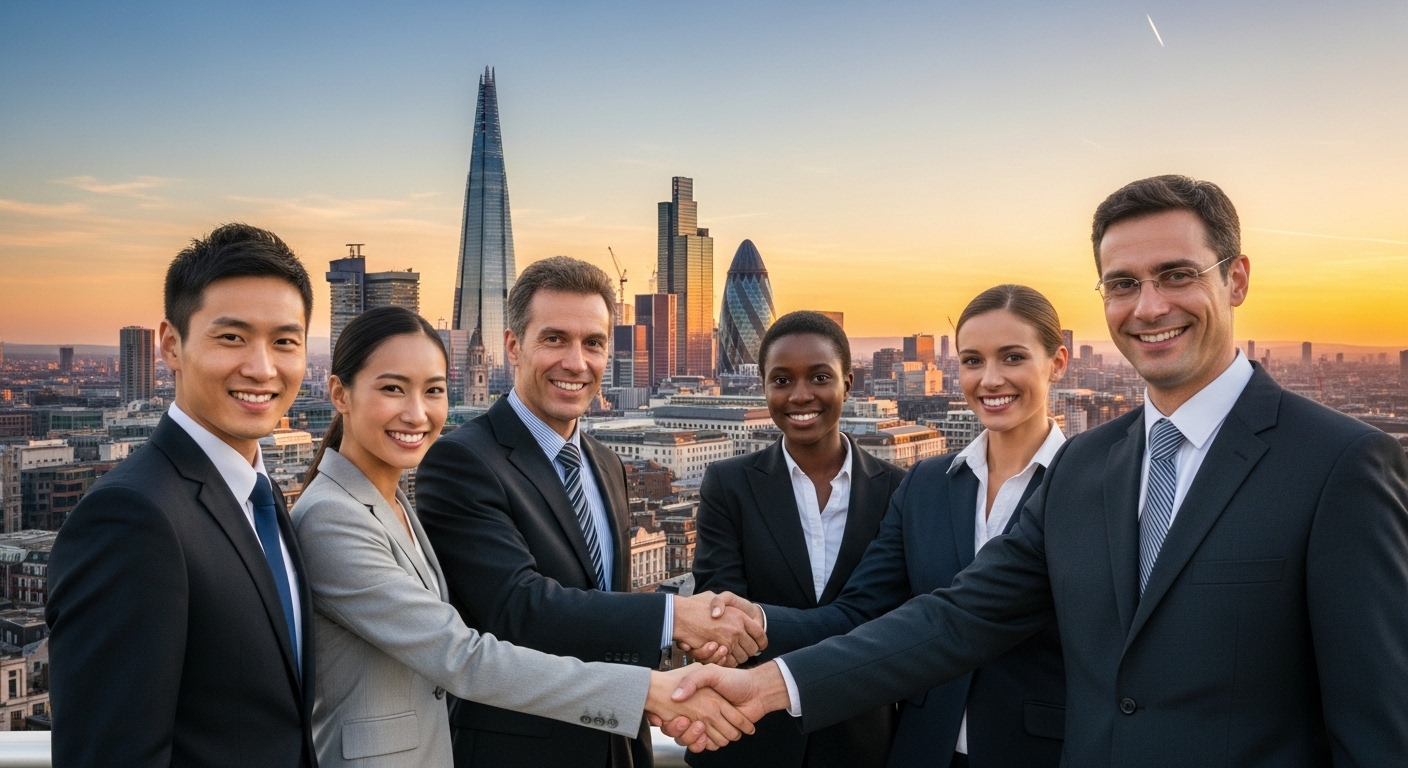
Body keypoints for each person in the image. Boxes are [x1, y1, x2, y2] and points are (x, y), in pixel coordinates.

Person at [671, 175, 1408, 766]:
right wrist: (768, 685)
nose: (1148, 307)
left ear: (1237, 279)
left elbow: (1378, 726)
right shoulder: (1088, 467)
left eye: (1176, 274)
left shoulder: (1341, 465)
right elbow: (956, 617)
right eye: (1121, 284)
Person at [292, 306, 750, 767]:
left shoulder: (392, 503)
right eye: (392, 389)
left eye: (433, 391)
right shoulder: (332, 517)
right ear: (338, 393)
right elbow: (463, 656)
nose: (416, 413)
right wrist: (649, 690)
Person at [414, 255, 768, 767]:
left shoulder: (605, 463)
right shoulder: (462, 460)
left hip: (618, 747)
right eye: (554, 339)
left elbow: (603, 608)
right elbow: (516, 608)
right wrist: (675, 617)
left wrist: (685, 664)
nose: (576, 362)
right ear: (514, 346)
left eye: (593, 343)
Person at [736, 287, 1069, 768]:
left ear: (1057, 362)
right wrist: (751, 620)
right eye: (972, 361)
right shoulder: (925, 485)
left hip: (1042, 753)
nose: (990, 379)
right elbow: (858, 613)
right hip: (922, 749)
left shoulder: (1089, 485)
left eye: (1013, 357)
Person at [46, 224, 320, 766]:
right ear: (172, 345)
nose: (262, 368)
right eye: (232, 337)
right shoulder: (131, 517)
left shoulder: (262, 499)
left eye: (284, 341)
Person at [686, 311, 908, 768]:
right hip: (748, 739)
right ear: (764, 388)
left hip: (862, 742)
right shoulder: (728, 484)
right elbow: (722, 620)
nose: (800, 395)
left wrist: (762, 625)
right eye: (782, 379)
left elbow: (891, 623)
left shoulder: (900, 489)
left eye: (820, 377)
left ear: (848, 383)